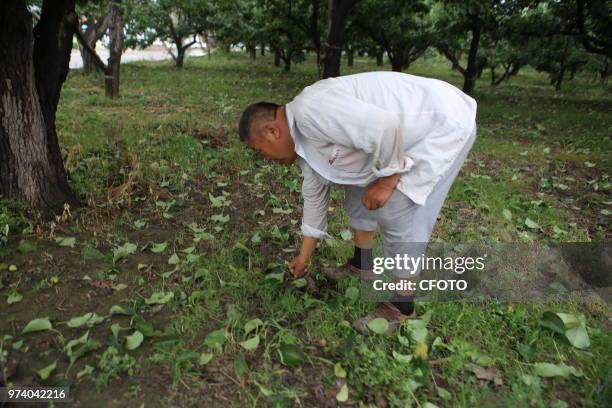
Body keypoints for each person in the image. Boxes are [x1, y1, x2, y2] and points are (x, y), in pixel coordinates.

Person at [238, 71, 477, 334]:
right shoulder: (304, 141)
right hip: (401, 134)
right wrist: (304, 256)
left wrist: (387, 182)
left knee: (398, 207)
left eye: (259, 151)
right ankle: (363, 265)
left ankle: (402, 307)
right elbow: (314, 198)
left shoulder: (311, 111)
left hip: (440, 122)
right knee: (356, 185)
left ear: (272, 130)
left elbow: (384, 127)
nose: (265, 159)